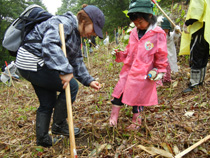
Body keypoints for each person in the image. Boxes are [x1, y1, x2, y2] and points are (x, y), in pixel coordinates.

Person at [15, 4, 105, 147]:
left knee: (47, 101)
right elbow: (49, 44)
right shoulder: (64, 22)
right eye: (94, 29)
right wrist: (65, 70)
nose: (93, 34)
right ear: (84, 21)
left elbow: (76, 61)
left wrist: (89, 80)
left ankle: (43, 140)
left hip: (28, 62)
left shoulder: (76, 35)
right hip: (32, 60)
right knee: (72, 86)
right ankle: (59, 125)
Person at [109, 0, 168, 131]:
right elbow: (129, 52)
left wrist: (160, 69)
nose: (138, 25)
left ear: (150, 17)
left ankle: (136, 121)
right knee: (119, 92)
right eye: (135, 23)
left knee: (139, 98)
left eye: (140, 22)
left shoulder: (158, 34)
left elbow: (161, 54)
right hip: (128, 70)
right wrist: (120, 54)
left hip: (144, 73)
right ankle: (113, 118)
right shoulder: (133, 33)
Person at [179, 0, 210, 93]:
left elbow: (196, 13)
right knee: (203, 56)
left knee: (196, 56)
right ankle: (200, 81)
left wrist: (187, 23)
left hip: (199, 30)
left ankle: (194, 83)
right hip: (206, 32)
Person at [159, 16, 181, 83]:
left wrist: (177, 31)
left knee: (168, 68)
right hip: (161, 56)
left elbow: (175, 35)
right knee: (160, 69)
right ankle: (159, 82)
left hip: (169, 54)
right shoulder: (159, 35)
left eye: (167, 29)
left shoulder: (170, 35)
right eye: (164, 29)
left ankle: (167, 79)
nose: (166, 30)